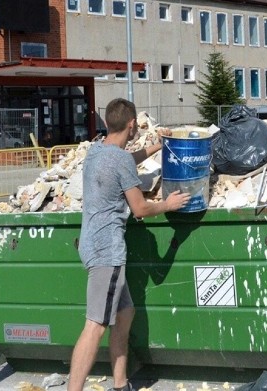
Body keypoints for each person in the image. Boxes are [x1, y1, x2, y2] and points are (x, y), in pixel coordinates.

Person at [67, 98, 190, 391]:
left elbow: (125, 160)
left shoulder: (97, 150)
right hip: (107, 251)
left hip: (90, 243)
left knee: (125, 314)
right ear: (132, 125)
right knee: (95, 326)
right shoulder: (118, 160)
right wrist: (168, 204)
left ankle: (121, 385)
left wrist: (156, 148)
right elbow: (139, 210)